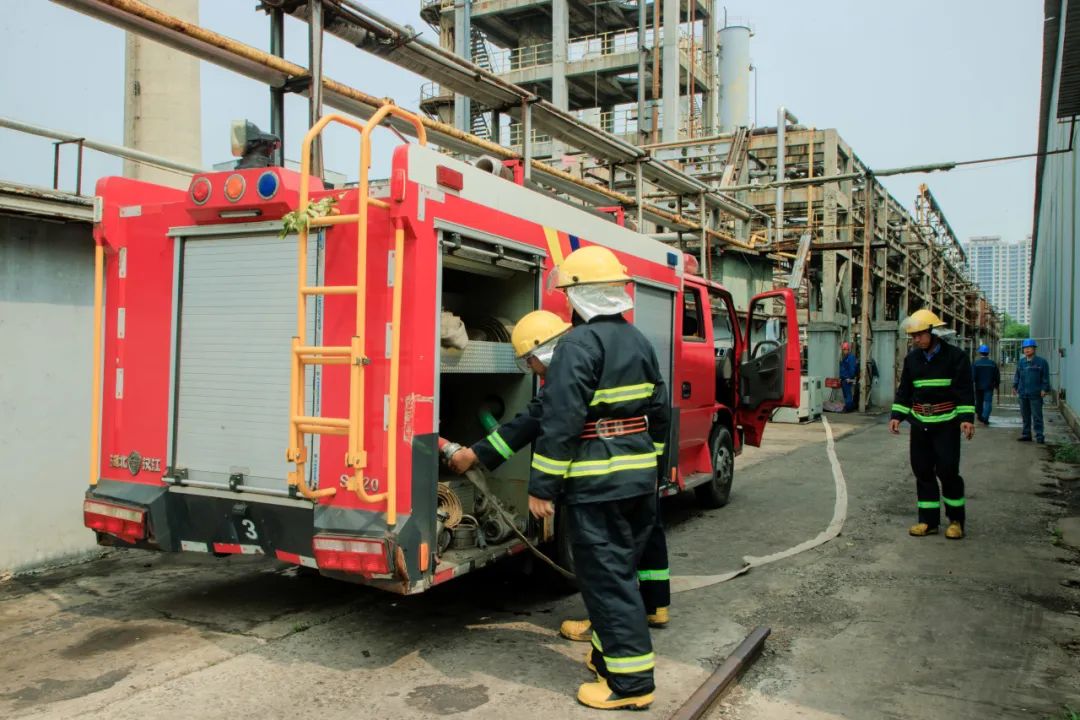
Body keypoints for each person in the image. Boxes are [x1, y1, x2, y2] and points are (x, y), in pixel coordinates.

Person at [444, 310, 673, 638]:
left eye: (529, 361)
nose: (532, 370)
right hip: (640, 473)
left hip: (602, 481)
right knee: (643, 538)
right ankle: (655, 605)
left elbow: (543, 423)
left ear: (543, 352)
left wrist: (482, 458)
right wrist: (654, 465)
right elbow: (661, 409)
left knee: (605, 565)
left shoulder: (572, 371)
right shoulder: (626, 354)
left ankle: (610, 635)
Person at [528, 245, 670, 711]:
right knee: (621, 574)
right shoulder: (639, 340)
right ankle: (606, 659)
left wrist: (542, 487)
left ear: (578, 295)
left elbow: (561, 420)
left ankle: (630, 685)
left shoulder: (577, 344)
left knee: (608, 583)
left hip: (596, 486)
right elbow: (659, 409)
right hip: (638, 482)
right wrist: (650, 465)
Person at [889, 309, 976, 540]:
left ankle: (956, 520)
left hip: (946, 424)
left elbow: (965, 391)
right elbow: (905, 390)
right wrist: (897, 416)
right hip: (920, 424)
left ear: (933, 332)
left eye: (919, 335)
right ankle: (928, 521)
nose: (916, 340)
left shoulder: (955, 357)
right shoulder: (912, 359)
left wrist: (966, 419)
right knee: (923, 471)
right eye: (913, 336)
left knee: (947, 471)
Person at [1014, 338, 1051, 444]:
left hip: (1035, 394)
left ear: (1034, 349)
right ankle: (1026, 434)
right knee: (1025, 416)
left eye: (1029, 348)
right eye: (1025, 348)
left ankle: (1039, 436)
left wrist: (1044, 389)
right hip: (1023, 393)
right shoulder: (1021, 362)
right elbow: (1017, 375)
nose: (1026, 350)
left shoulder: (1041, 362)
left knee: (1037, 416)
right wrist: (1015, 386)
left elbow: (1045, 377)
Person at [971, 344, 999, 426]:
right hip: (989, 386)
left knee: (979, 402)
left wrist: (972, 383)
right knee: (988, 402)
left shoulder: (976, 363)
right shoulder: (992, 364)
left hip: (978, 386)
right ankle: (985, 418)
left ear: (980, 353)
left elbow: (973, 376)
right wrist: (996, 384)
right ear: (988, 353)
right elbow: (997, 375)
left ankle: (980, 417)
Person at [839, 341, 858, 412]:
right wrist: (841, 378)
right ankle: (848, 406)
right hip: (844, 379)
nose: (844, 351)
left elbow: (852, 369)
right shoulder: (845, 358)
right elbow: (843, 369)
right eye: (843, 349)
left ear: (848, 349)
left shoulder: (851, 358)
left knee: (848, 394)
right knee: (846, 394)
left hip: (847, 379)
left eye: (845, 349)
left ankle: (849, 408)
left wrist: (849, 378)